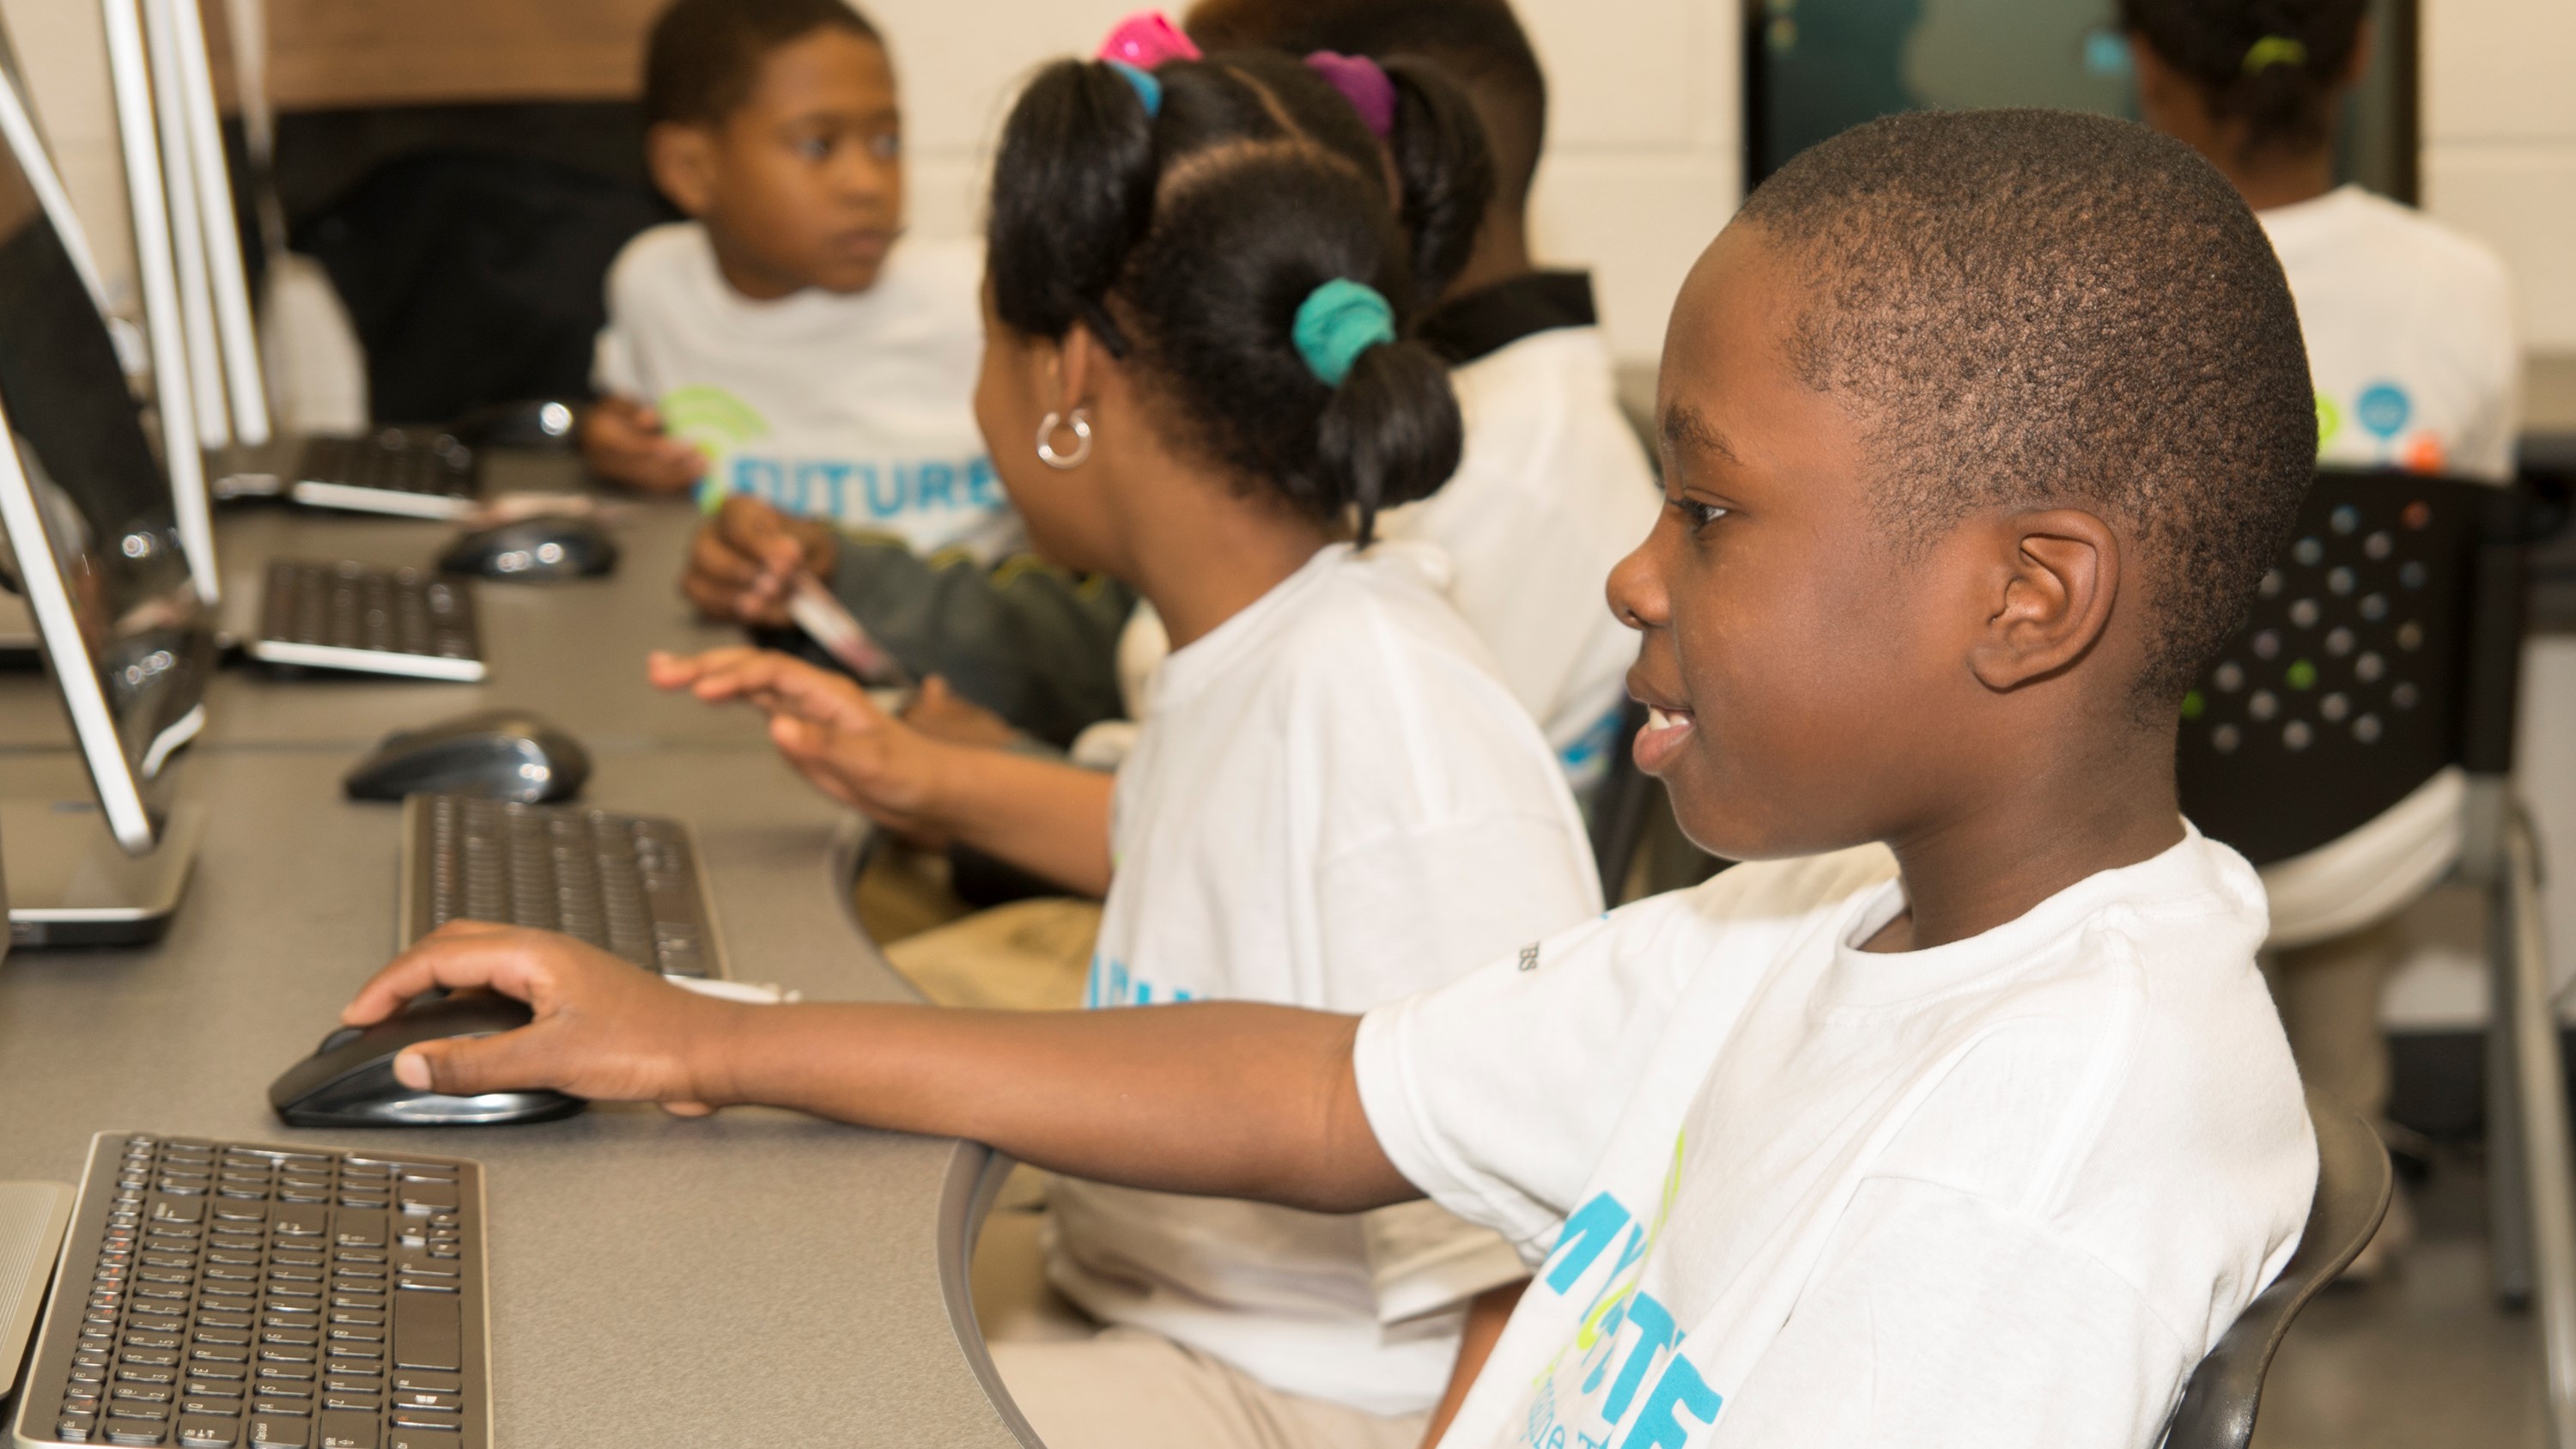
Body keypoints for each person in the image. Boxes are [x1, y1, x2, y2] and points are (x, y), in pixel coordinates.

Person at [338, 108, 2319, 1449]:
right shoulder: (1810, 927)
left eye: (1706, 509)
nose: (1631, 571)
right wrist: (703, 1042)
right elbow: (1315, 1087)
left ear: (2028, 598)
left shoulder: (2038, 1159)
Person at [651, 46, 1592, 1441]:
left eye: (987, 339)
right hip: (1147, 1294)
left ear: (1068, 371)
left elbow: (1546, 1222)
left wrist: (685, 1040)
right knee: (700, 1301)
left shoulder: (1388, 709)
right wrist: (926, 780)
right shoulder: (1263, 631)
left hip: (1299, 1396)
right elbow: (1202, 848)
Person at [688, 0, 1662, 791]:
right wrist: (850, 587)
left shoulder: (1507, 480)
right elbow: (1139, 642)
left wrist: (992, 787)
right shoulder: (1365, 416)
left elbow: (1288, 840)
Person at [2127, 0, 2523, 1275]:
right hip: (2371, 790)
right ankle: (2340, 1181)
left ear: (2147, 69)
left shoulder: (2087, 277)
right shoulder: (2462, 285)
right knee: (2328, 792)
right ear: (2358, 55)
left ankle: (2178, 1190)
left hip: (2137, 798)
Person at [582, 0, 1006, 561]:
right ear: (690, 169)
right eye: (818, 145)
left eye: (887, 142)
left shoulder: (979, 298)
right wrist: (607, 444)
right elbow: (625, 419)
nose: (867, 184)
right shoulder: (654, 284)